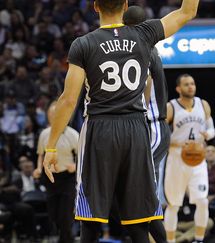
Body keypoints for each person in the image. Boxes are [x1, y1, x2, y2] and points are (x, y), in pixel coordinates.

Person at [41, 0, 200, 242]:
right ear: (125, 5)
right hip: (136, 128)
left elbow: (67, 100)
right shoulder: (145, 33)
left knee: (91, 221)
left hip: (99, 128)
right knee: (139, 222)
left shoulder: (83, 44)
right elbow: (188, 11)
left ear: (95, 6)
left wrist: (51, 146)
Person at [123, 6, 170, 243]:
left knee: (145, 185)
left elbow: (146, 84)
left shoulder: (142, 50)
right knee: (143, 185)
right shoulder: (150, 49)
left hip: (152, 124)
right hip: (150, 125)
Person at [164, 74, 215, 243]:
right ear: (178, 88)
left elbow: (212, 128)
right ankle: (170, 241)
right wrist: (177, 142)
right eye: (186, 84)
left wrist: (208, 134)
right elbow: (160, 134)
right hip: (177, 157)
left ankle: (199, 240)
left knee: (202, 201)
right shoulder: (171, 107)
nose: (191, 87)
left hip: (198, 158)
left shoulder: (203, 104)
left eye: (192, 83)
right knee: (173, 204)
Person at [34, 101, 79, 243]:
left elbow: (82, 156)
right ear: (48, 116)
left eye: (56, 113)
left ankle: (66, 240)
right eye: (51, 114)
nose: (54, 116)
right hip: (50, 178)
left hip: (68, 178)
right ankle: (65, 238)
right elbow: (41, 154)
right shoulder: (44, 134)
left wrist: (75, 166)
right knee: (54, 215)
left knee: (65, 215)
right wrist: (38, 169)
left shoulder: (73, 134)